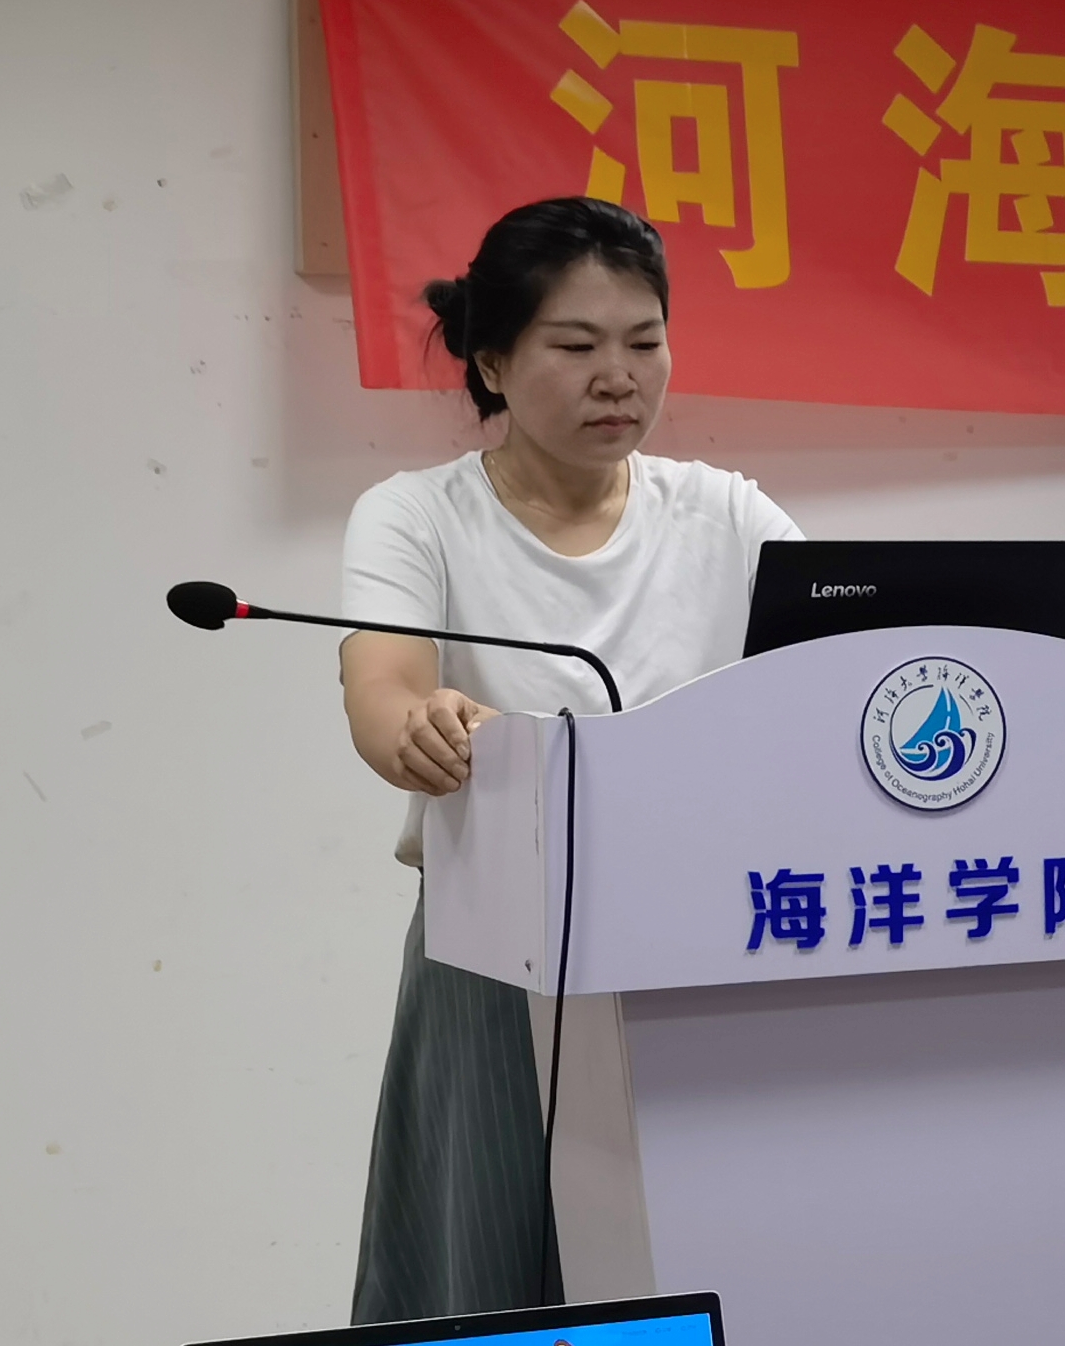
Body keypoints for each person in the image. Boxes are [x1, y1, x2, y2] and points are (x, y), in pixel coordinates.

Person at [336, 196, 800, 1321]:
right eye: (578, 345)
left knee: (696, 1269)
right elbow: (382, 691)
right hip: (496, 957)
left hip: (703, 947)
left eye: (645, 341)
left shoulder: (726, 514)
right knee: (490, 1277)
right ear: (493, 362)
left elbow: (843, 668)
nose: (619, 377)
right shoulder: (416, 516)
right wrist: (422, 724)